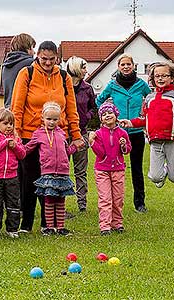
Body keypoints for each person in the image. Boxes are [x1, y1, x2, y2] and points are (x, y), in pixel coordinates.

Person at [11, 41, 84, 233]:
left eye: (52, 59)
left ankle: (48, 224)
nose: (48, 62)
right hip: (31, 136)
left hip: (59, 137)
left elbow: (71, 108)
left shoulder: (63, 76)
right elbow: (17, 107)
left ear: (57, 58)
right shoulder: (27, 73)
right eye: (44, 59)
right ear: (38, 56)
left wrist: (75, 135)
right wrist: (16, 134)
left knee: (54, 182)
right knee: (30, 181)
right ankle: (26, 224)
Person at [96, 54, 151, 213]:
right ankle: (112, 202)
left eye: (129, 64)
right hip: (116, 132)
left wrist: (145, 116)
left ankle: (139, 203)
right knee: (112, 168)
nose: (126, 67)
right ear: (118, 67)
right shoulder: (112, 85)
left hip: (135, 131)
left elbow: (151, 100)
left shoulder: (141, 84)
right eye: (123, 65)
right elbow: (99, 100)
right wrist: (106, 116)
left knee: (136, 168)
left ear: (133, 66)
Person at [24, 102, 77, 236]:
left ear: (59, 120)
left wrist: (76, 147)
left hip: (63, 172)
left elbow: (67, 151)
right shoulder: (38, 133)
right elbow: (28, 148)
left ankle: (60, 227)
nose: (52, 122)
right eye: (49, 119)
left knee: (60, 200)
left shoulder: (61, 134)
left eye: (55, 119)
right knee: (49, 200)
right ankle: (49, 227)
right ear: (42, 118)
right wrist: (17, 149)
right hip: (48, 172)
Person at [89, 102, 131, 236]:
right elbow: (100, 153)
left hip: (118, 169)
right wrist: (92, 143)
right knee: (105, 198)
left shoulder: (122, 133)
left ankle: (117, 223)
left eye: (110, 113)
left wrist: (124, 145)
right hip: (102, 170)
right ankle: (105, 226)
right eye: (104, 114)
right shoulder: (98, 134)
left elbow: (127, 151)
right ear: (101, 118)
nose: (107, 116)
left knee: (118, 198)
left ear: (116, 115)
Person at [0, 108, 26, 240]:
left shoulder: (16, 138)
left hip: (11, 176)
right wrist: (3, 143)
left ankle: (12, 229)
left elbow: (22, 154)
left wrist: (15, 146)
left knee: (13, 203)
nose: (9, 126)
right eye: (5, 123)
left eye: (11, 124)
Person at [66, 56, 96, 213]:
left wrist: (88, 116)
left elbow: (93, 107)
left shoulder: (88, 88)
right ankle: (60, 205)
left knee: (81, 171)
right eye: (84, 67)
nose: (86, 70)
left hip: (82, 133)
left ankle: (82, 204)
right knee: (61, 170)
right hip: (64, 134)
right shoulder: (62, 86)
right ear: (76, 69)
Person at [2, 33, 35, 108]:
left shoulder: (6, 65)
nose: (34, 52)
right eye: (32, 48)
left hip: (9, 108)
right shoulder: (30, 63)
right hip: (24, 109)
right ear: (27, 48)